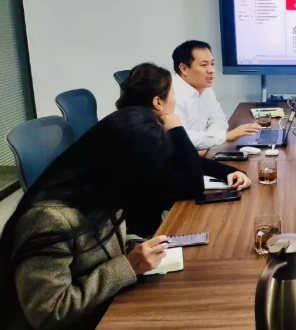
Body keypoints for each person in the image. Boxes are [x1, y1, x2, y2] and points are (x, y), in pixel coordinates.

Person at [0, 108, 172, 330]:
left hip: (105, 309)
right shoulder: (48, 218)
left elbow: (99, 247)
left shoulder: (104, 194)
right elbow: (49, 312)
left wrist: (134, 247)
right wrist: (128, 265)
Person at [116, 62, 251, 236]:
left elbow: (182, 160)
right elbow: (193, 187)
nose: (175, 99)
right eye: (173, 94)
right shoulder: (141, 137)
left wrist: (229, 172)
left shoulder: (139, 123)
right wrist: (177, 129)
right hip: (141, 235)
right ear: (158, 102)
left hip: (152, 220)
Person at [171, 40, 260, 150]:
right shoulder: (170, 94)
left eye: (212, 64)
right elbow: (181, 137)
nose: (211, 70)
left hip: (198, 153)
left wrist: (208, 143)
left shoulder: (204, 87)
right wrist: (224, 136)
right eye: (204, 65)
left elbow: (219, 120)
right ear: (184, 69)